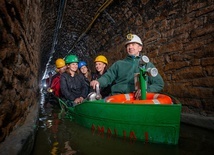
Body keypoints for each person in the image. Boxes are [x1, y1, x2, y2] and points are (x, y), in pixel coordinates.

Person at [90, 34, 164, 98]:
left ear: (140, 48)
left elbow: (159, 84)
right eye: (128, 45)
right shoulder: (118, 64)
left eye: (133, 44)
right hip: (118, 98)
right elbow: (108, 76)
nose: (130, 47)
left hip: (137, 99)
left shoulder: (147, 65)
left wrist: (146, 90)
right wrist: (99, 82)